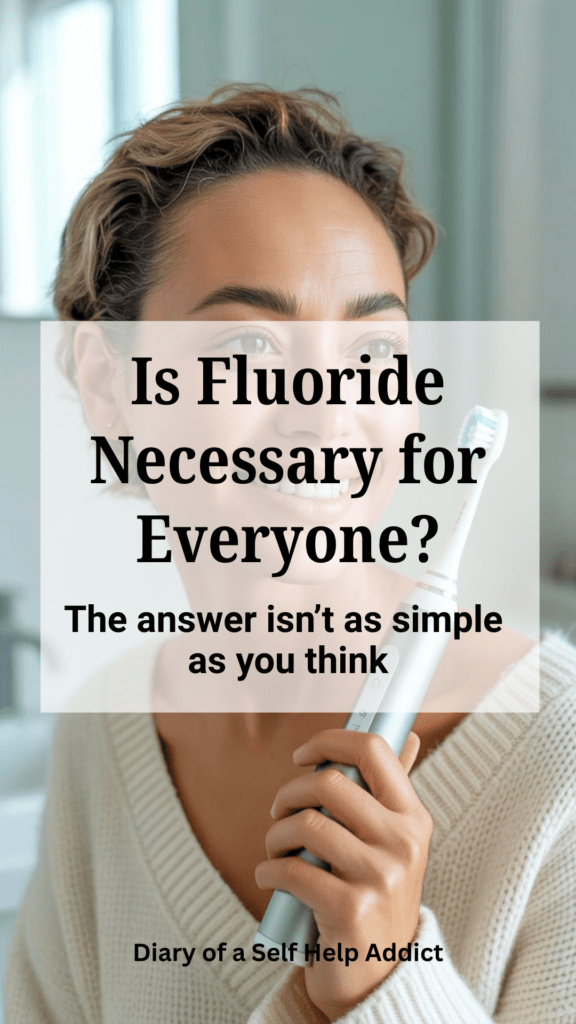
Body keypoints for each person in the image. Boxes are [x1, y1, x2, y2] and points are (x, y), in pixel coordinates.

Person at [5, 85, 576, 1024]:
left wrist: (388, 987)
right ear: (110, 388)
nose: (326, 415)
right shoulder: (104, 738)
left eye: (373, 351)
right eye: (249, 346)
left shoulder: (559, 760)